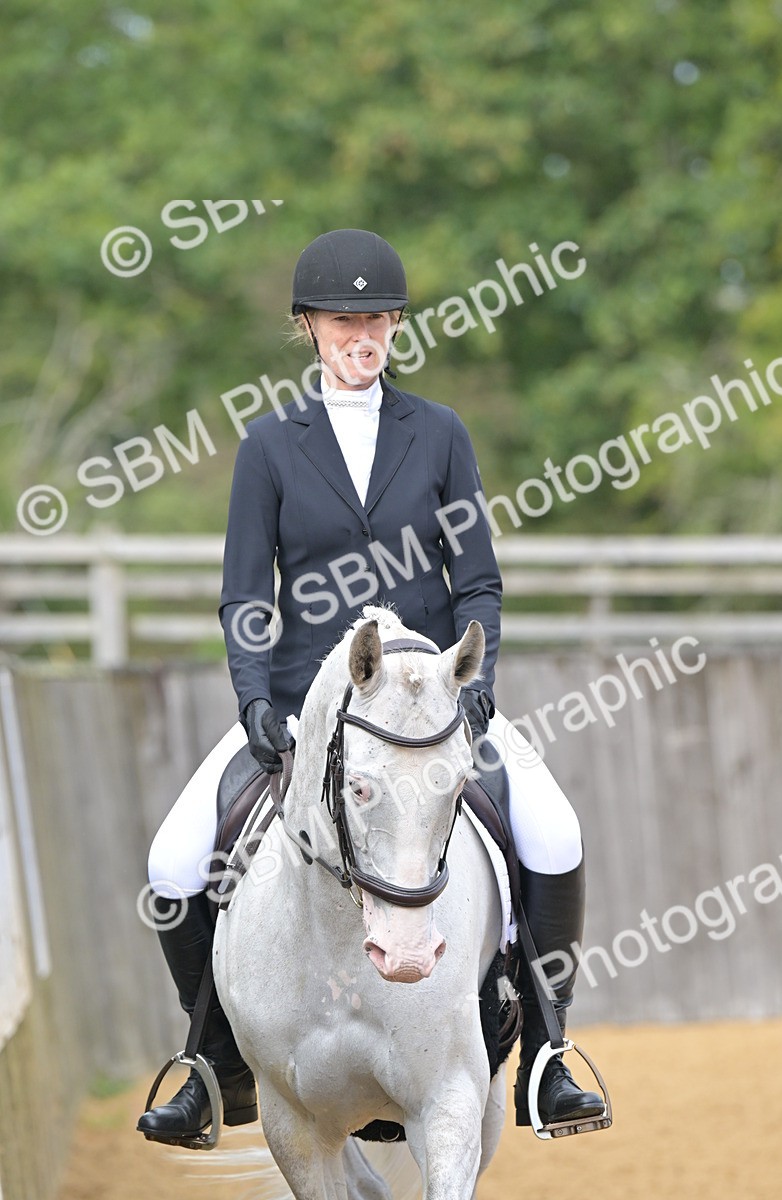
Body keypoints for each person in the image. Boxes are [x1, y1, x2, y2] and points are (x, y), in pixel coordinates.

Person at [137, 228, 603, 1144]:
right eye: (345, 318)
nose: (364, 334)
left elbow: (478, 580)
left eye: (379, 318)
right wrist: (254, 701)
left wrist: (478, 686)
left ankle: (548, 1051)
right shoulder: (269, 446)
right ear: (308, 327)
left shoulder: (438, 433)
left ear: (395, 327)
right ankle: (219, 1063)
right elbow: (244, 596)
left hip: (426, 702)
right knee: (170, 864)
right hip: (303, 706)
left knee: (555, 830)